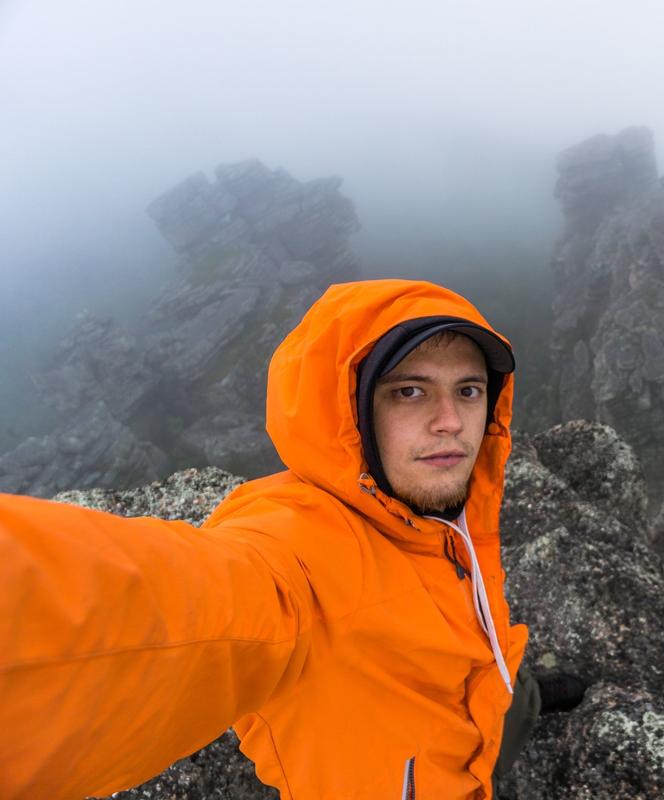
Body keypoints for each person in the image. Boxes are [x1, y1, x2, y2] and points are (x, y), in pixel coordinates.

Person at [0, 279, 583, 799]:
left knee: (506, 684)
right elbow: (176, 604)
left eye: (468, 390)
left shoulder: (450, 506)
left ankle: (524, 697)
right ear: (350, 413)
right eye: (409, 392)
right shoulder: (297, 549)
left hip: (484, 713)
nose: (451, 421)